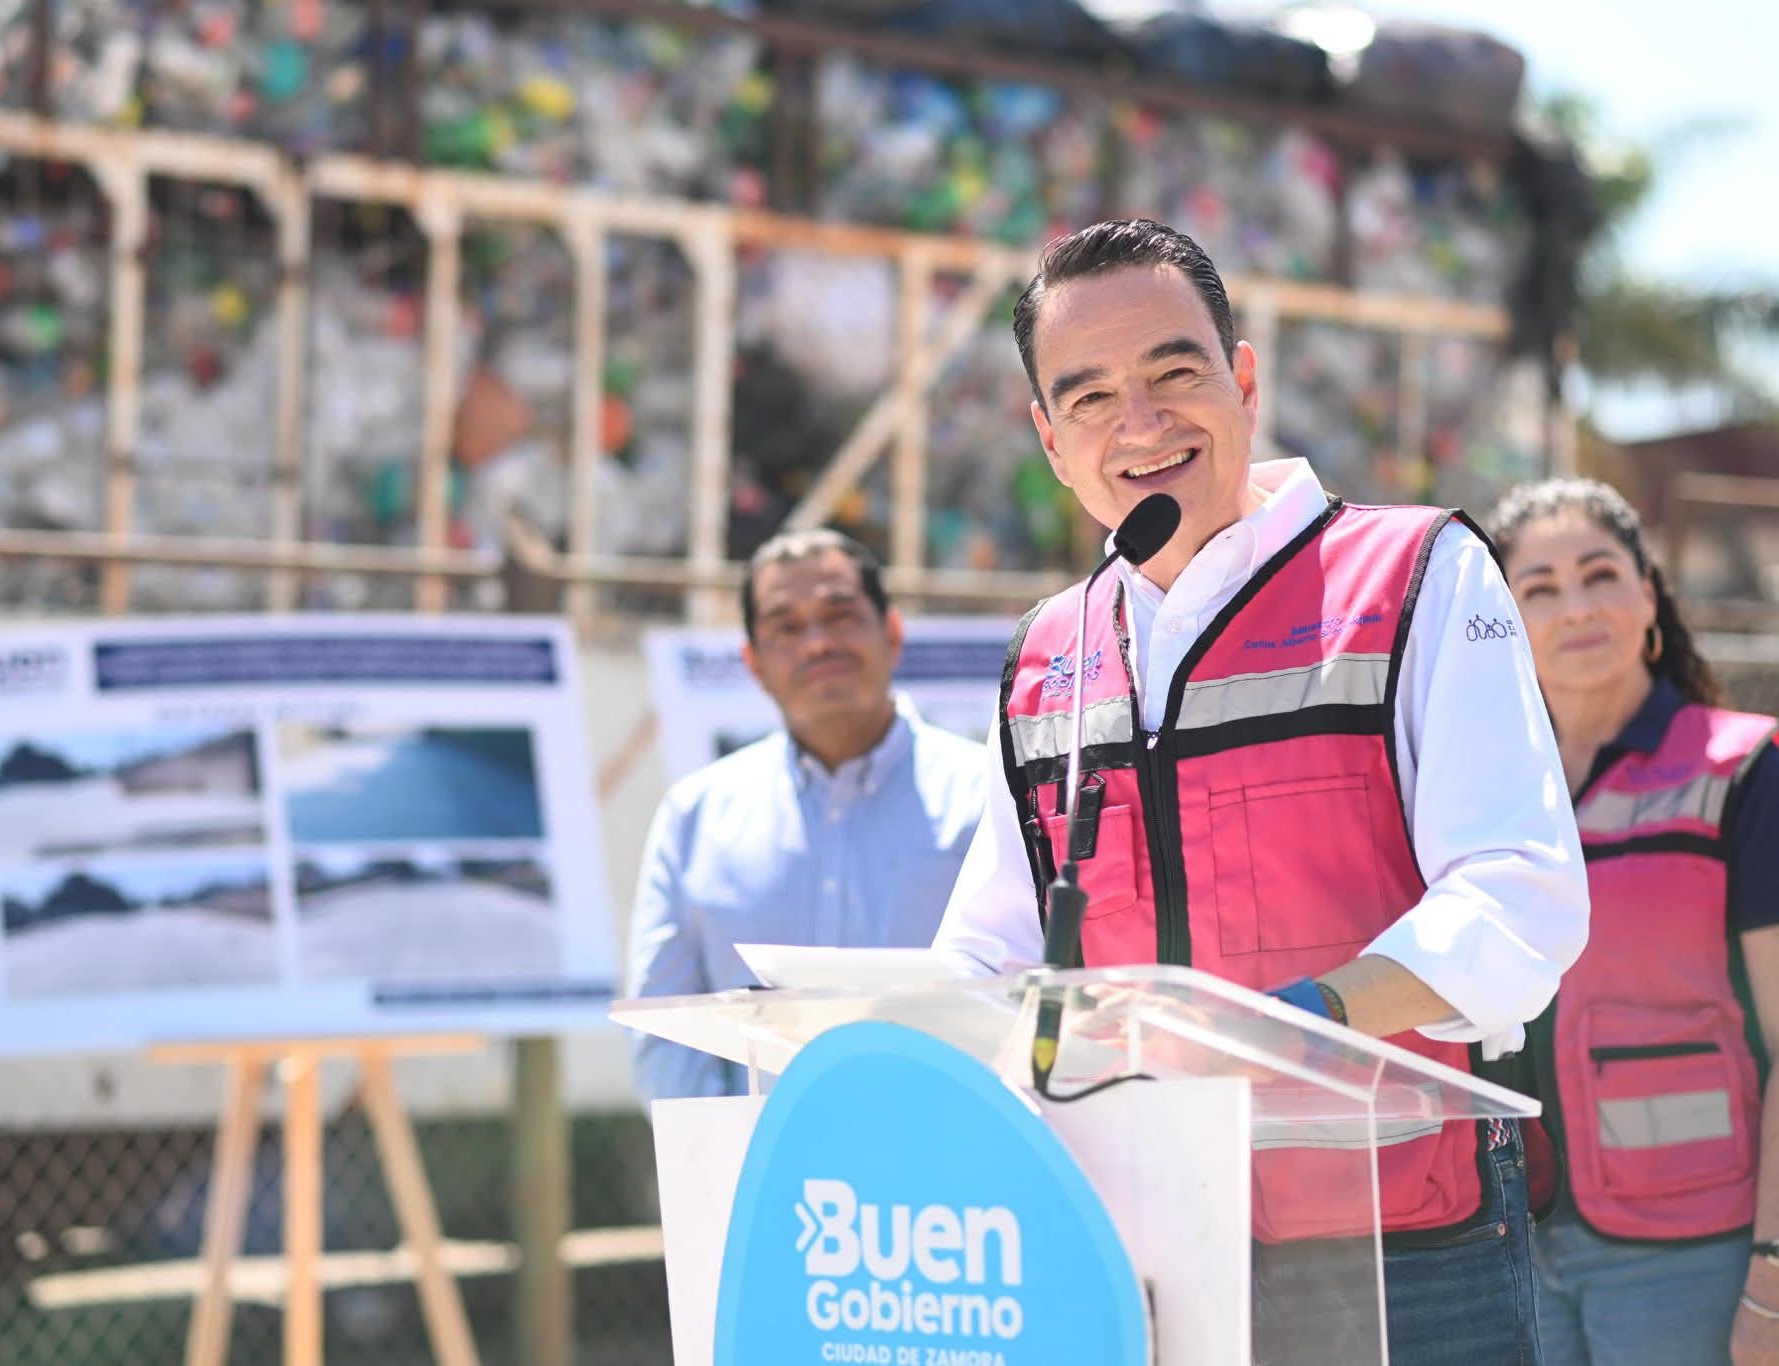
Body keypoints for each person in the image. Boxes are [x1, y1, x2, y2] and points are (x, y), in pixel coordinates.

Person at [931, 218, 1589, 1364]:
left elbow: (1518, 891)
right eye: (1086, 398)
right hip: (1129, 1238)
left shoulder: (1415, 574)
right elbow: (992, 942)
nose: (1137, 425)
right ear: (1047, 440)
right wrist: (882, 1036)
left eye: (1172, 372)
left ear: (1241, 377)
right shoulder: (1046, 650)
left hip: (1402, 1241)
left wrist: (1306, 1021)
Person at [1487, 478, 1779, 1366]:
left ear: (1649, 593)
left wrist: (1770, 1278)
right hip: (1513, 1246)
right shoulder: (1483, 794)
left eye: (1600, 574)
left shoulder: (1746, 771)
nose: (1575, 607)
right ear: (1499, 625)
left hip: (1697, 1254)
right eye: (1538, 588)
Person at [624, 528, 989, 1104]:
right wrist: (732, 1163)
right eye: (786, 627)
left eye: (840, 615)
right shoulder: (695, 816)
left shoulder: (991, 797)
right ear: (753, 663)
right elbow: (662, 1030)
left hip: (950, 1174)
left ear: (892, 633)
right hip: (756, 1178)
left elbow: (1024, 1000)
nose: (818, 643)